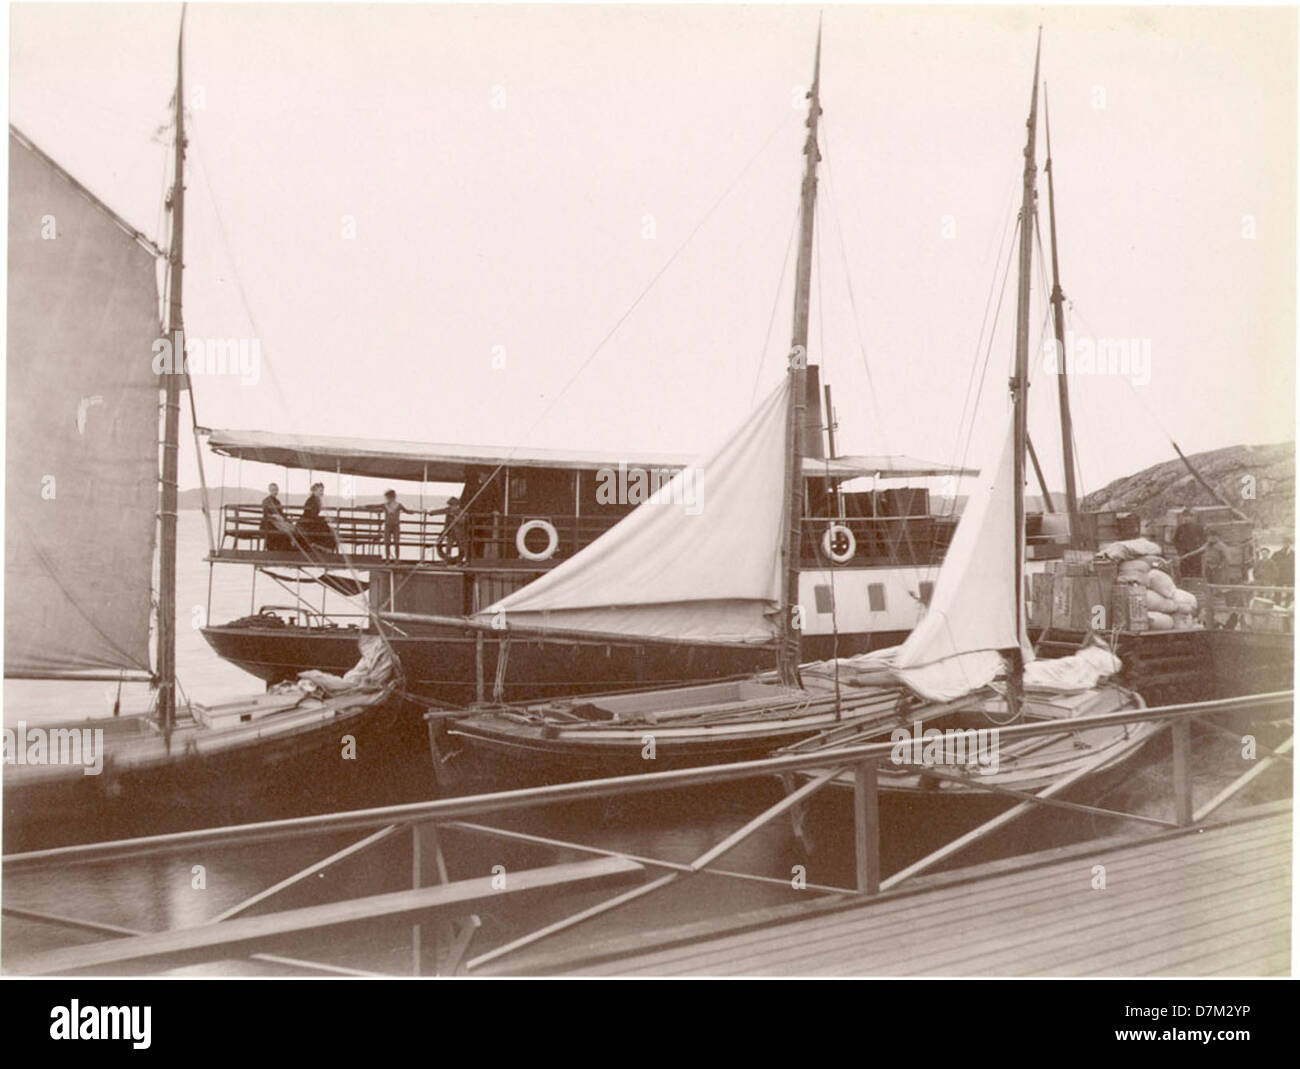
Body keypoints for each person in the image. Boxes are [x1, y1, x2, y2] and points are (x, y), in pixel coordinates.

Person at [366, 489, 419, 562]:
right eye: (387, 498)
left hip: (396, 526)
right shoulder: (385, 505)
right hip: (387, 526)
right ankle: (387, 558)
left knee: (396, 543)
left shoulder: (398, 505)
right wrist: (364, 506)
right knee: (387, 543)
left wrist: (417, 511)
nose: (387, 499)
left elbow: (407, 511)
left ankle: (397, 559)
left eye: (388, 497)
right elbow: (374, 506)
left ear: (393, 497)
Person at [296, 482, 337, 553]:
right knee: (328, 530)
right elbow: (312, 515)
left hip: (310, 522)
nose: (322, 493)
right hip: (308, 523)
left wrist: (324, 519)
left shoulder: (315, 499)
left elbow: (314, 515)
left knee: (328, 529)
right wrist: (324, 519)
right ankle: (323, 547)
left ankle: (322, 547)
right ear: (315, 491)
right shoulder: (312, 500)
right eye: (320, 490)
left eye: (322, 491)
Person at [427, 496, 468, 563]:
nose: (451, 507)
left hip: (459, 533)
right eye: (450, 505)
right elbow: (440, 511)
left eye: (452, 505)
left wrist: (456, 518)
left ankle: (462, 561)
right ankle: (447, 560)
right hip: (450, 532)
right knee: (448, 546)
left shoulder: (461, 512)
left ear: (456, 505)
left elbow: (462, 521)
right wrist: (431, 513)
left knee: (462, 547)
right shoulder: (448, 510)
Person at [1172, 508, 1206, 579]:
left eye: (1189, 516)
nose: (1187, 518)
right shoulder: (1180, 528)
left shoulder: (1198, 527)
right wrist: (1179, 549)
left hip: (1195, 554)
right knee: (1184, 572)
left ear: (1192, 517)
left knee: (1196, 572)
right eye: (1185, 516)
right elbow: (1175, 540)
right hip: (1184, 554)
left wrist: (1199, 548)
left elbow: (1204, 539)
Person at [259, 483, 292, 552]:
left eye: (276, 490)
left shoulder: (277, 502)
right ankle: (274, 549)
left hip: (277, 523)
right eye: (273, 490)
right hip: (269, 524)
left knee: (287, 531)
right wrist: (274, 516)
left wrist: (285, 519)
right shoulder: (266, 501)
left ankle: (285, 549)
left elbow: (281, 513)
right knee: (278, 534)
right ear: (270, 490)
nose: (275, 492)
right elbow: (266, 514)